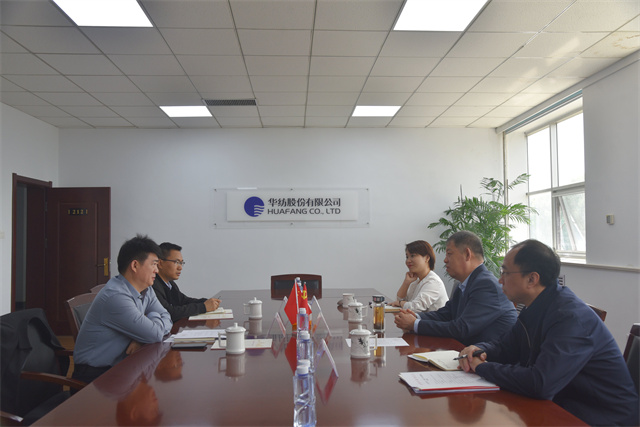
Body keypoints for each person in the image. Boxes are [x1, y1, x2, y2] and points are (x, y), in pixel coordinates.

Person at [458, 239, 639, 426]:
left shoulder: (570, 318)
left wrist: (481, 367)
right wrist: (479, 350)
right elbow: (506, 347)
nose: (500, 280)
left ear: (532, 279)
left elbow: (540, 383)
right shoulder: (535, 306)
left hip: (602, 418)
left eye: (505, 272)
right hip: (562, 406)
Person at [72, 235, 172, 384]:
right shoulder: (116, 297)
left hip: (122, 367)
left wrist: (141, 337)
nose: (157, 270)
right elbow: (155, 334)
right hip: (94, 377)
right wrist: (147, 328)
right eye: (154, 264)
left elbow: (167, 316)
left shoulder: (146, 289)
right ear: (135, 265)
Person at [394, 230, 516, 345]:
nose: (445, 260)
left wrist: (415, 324)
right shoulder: (464, 284)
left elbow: (462, 328)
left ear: (467, 254)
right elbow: (445, 314)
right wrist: (416, 317)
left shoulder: (486, 285)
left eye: (449, 254)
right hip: (466, 351)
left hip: (487, 356)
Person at [152, 242, 221, 322]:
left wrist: (207, 302)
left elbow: (184, 301)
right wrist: (203, 307)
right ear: (160, 263)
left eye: (181, 263)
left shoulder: (170, 284)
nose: (180, 268)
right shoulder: (153, 285)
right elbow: (169, 312)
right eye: (176, 262)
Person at [389, 240, 448, 312]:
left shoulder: (433, 282)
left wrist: (400, 303)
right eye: (407, 257)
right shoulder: (417, 281)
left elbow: (416, 307)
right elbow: (400, 300)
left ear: (427, 258)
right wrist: (406, 283)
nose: (408, 261)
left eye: (412, 256)